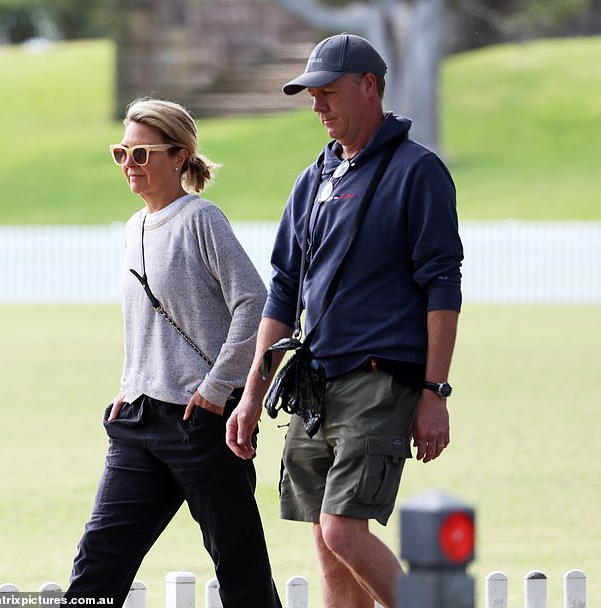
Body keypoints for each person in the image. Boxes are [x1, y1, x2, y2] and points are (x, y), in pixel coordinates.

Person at [226, 33, 463, 608]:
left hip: (381, 376)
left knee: (342, 530)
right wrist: (251, 395)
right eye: (312, 95)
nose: (317, 106)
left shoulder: (418, 171)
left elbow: (443, 284)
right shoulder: (312, 180)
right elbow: (282, 293)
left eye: (329, 92)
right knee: (326, 544)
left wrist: (434, 391)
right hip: (314, 382)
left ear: (370, 86)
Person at [66, 98, 281, 608]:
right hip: (139, 422)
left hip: (200, 421)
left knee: (239, 563)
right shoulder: (133, 228)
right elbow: (144, 323)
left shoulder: (201, 218)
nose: (128, 166)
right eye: (121, 153)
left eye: (142, 154)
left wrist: (216, 387)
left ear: (179, 156)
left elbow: (255, 303)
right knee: (99, 559)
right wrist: (129, 382)